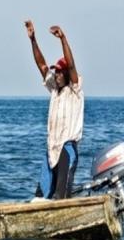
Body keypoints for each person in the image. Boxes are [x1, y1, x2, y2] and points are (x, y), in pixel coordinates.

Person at [25, 20, 84, 200]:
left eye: (59, 72)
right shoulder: (54, 90)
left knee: (60, 195)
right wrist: (33, 39)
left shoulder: (75, 89)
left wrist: (63, 39)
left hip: (67, 149)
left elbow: (72, 65)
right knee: (40, 196)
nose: (56, 75)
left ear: (66, 74)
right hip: (51, 149)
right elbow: (41, 65)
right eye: (56, 72)